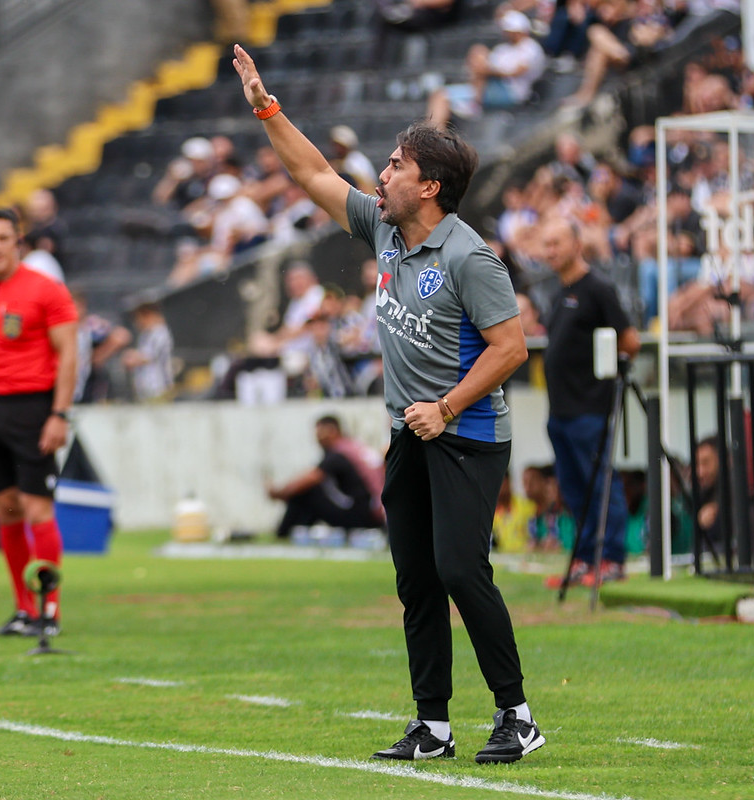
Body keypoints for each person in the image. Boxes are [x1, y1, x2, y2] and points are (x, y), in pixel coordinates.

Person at [234, 44, 544, 764]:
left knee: (462, 569)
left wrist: (447, 405)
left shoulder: (470, 258)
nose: (383, 172)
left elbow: (511, 348)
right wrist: (265, 107)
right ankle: (433, 726)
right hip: (411, 433)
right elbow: (311, 171)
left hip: (467, 435)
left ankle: (517, 715)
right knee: (416, 580)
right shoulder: (384, 228)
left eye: (398, 165)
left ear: (429, 185)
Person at [0, 207, 78, 636]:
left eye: (3, 238)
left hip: (35, 407)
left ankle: (50, 609)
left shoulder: (46, 291)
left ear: (18, 240)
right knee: (6, 511)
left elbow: (68, 356)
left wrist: (59, 414)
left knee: (37, 508)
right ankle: (24, 609)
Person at [541, 218, 640, 587]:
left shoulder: (598, 288)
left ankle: (612, 559)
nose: (550, 252)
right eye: (546, 245)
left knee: (601, 485)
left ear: (576, 244)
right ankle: (584, 557)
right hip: (560, 410)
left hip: (590, 409)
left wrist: (603, 366)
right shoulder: (555, 293)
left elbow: (630, 340)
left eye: (557, 243)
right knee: (573, 488)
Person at [267, 415, 384, 538]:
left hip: (363, 516)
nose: (317, 439)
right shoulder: (354, 447)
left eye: (320, 433)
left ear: (332, 431)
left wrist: (280, 493)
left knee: (308, 491)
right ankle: (298, 531)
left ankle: (283, 533)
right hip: (376, 511)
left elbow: (312, 477)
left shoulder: (338, 453)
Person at [427, 10, 546, 128]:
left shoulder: (530, 48)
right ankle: (437, 131)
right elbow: (487, 65)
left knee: (442, 97)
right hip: (490, 87)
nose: (507, 33)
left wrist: (488, 70)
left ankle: (473, 105)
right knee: (441, 94)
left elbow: (517, 72)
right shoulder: (503, 48)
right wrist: (484, 67)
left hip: (512, 92)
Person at [121, 301, 175, 402]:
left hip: (158, 389)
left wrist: (132, 357)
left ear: (148, 314)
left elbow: (151, 356)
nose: (136, 322)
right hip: (144, 390)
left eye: (138, 317)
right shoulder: (145, 335)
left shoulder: (160, 332)